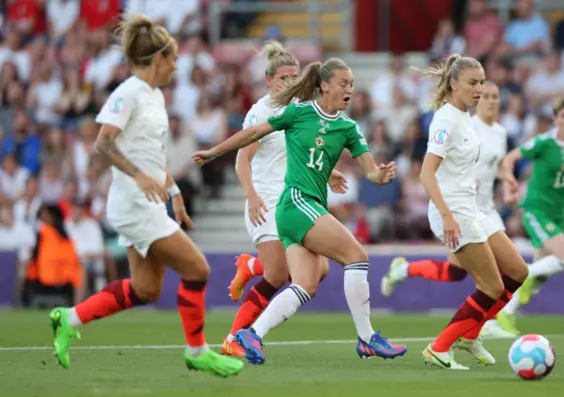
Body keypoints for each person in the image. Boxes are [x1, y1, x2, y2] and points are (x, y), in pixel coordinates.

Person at [47, 14, 244, 377]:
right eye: (173, 58)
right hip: (133, 205)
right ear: (157, 59)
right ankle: (197, 351)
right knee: (197, 268)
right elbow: (102, 143)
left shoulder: (153, 96)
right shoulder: (128, 92)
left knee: (147, 289)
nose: (176, 65)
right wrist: (137, 176)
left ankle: (68, 318)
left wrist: (173, 190)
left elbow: (152, 154)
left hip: (149, 202)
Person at [193, 58, 408, 365]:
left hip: (306, 208)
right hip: (295, 202)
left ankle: (251, 333)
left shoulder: (348, 128)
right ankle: (367, 338)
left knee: (306, 283)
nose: (349, 90)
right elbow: (252, 134)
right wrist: (215, 151)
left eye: (352, 85)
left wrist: (380, 175)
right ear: (325, 86)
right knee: (357, 256)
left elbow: (370, 171)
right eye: (343, 83)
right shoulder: (299, 113)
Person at [221, 41, 348, 356]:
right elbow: (242, 159)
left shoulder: (303, 110)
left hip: (297, 198)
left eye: (294, 77)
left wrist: (329, 172)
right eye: (283, 78)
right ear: (269, 80)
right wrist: (250, 195)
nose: (290, 83)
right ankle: (234, 338)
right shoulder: (260, 112)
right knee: (278, 274)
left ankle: (251, 266)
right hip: (267, 198)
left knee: (318, 272)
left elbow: (306, 152)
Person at [409, 54, 528, 370]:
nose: (480, 89)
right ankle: (440, 347)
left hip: (472, 207)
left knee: (518, 272)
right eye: (473, 83)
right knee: (491, 287)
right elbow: (426, 173)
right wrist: (447, 215)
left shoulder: (465, 118)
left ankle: (470, 335)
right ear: (453, 84)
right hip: (454, 211)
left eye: (482, 82)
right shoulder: (446, 120)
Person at [380, 81, 514, 338]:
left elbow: (495, 165)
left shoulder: (500, 132)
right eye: (486, 95)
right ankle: (480, 325)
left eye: (496, 96)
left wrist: (507, 179)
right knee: (468, 272)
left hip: (487, 207)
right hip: (464, 207)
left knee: (489, 269)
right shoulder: (466, 125)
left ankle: (484, 322)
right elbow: (441, 164)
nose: (491, 101)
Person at [493, 96, 564, 335]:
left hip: (557, 213)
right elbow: (510, 158)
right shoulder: (544, 142)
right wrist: (510, 182)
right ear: (555, 119)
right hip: (537, 210)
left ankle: (501, 316)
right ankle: (520, 276)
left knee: (538, 280)